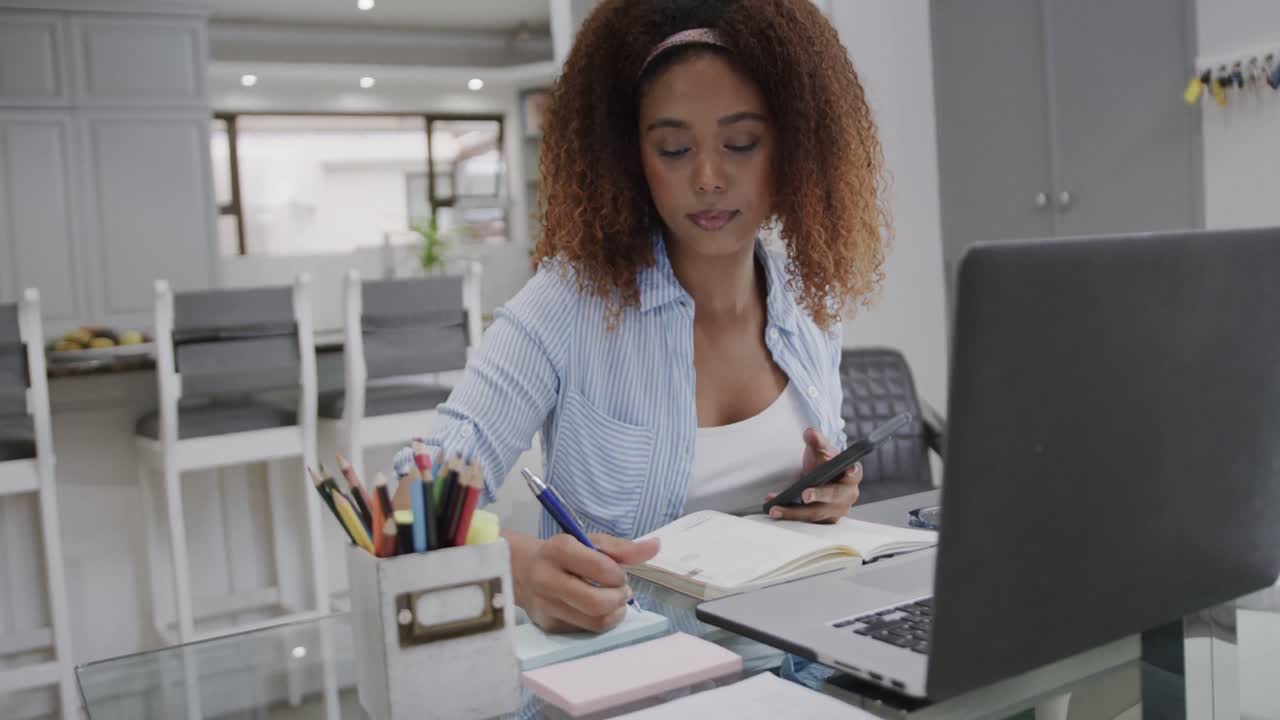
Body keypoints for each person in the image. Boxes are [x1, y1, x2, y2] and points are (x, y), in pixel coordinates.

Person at [424, 0, 889, 634]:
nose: (706, 177)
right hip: (625, 683)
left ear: (794, 147)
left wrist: (829, 495)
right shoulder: (568, 304)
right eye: (672, 149)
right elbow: (416, 499)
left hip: (793, 671)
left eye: (741, 143)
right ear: (630, 157)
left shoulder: (810, 304)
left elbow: (806, 503)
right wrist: (518, 569)